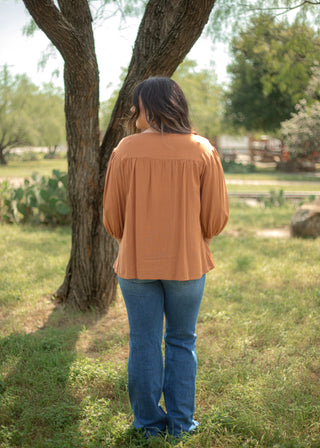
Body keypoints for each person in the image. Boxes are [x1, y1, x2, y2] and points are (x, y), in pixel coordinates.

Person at [103, 77, 229, 438]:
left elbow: (112, 218)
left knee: (143, 340)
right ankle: (181, 424)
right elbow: (216, 218)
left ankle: (147, 426)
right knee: (181, 339)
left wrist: (136, 239)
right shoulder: (202, 150)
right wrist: (190, 238)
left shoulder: (124, 151)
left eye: (136, 105)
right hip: (187, 265)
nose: (132, 112)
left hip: (136, 264)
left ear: (148, 107)